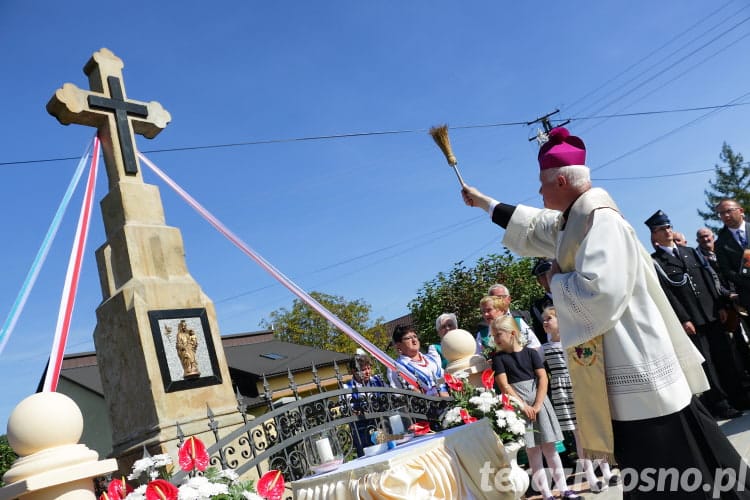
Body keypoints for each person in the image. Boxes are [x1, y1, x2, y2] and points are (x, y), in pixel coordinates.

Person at [460, 126, 749, 498]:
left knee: (673, 456)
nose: (539, 192)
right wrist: (484, 202)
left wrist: (557, 281)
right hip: (615, 357)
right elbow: (531, 224)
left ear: (562, 180)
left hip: (634, 358)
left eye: (542, 184)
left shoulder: (601, 220)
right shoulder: (574, 220)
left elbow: (602, 292)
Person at [646, 209, 743, 419]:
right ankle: (720, 404)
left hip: (712, 314)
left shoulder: (690, 252)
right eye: (661, 229)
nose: (667, 231)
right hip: (692, 321)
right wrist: (683, 319)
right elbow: (667, 294)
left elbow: (709, 280)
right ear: (654, 236)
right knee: (707, 364)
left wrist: (719, 306)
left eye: (668, 227)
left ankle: (739, 397)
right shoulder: (656, 262)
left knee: (725, 356)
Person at [491, 315, 579, 500]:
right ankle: (546, 493)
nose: (495, 339)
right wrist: (522, 405)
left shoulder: (531, 353)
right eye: (494, 335)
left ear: (512, 333)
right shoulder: (498, 359)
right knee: (533, 451)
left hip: (540, 403)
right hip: (520, 406)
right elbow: (505, 385)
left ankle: (564, 489)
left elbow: (543, 377)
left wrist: (538, 403)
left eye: (499, 334)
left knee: (550, 448)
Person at [541, 306, 617, 493]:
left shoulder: (573, 342)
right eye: (544, 319)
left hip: (581, 388)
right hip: (563, 393)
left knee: (592, 430)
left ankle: (606, 471)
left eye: (549, 318)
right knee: (579, 436)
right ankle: (591, 477)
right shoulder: (543, 349)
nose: (545, 322)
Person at [344, 353, 386, 456]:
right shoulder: (347, 387)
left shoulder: (377, 381)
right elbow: (348, 411)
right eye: (363, 370)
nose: (368, 372)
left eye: (369, 368)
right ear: (354, 371)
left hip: (383, 424)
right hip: (363, 432)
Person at [387, 325, 448, 397]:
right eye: (408, 338)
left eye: (415, 336)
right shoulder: (397, 367)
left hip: (450, 399)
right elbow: (403, 393)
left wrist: (437, 385)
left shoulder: (431, 359)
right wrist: (432, 393)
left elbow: (443, 378)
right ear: (398, 345)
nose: (414, 340)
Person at [477, 291, 541, 356]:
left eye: (489, 310)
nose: (485, 314)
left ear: (501, 310)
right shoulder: (482, 334)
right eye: (483, 311)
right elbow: (478, 357)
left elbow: (536, 346)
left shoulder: (518, 322)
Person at [529, 258, 554, 345]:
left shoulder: (572, 294)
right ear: (539, 281)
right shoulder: (537, 306)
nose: (548, 276)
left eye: (550, 272)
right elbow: (541, 334)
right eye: (543, 275)